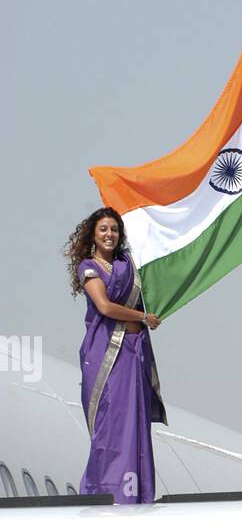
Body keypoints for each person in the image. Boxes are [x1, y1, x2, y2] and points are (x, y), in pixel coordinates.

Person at [65, 207, 167, 504]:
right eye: (103, 230)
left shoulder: (126, 265)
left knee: (134, 421)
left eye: (114, 229)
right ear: (93, 236)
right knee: (111, 425)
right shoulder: (89, 267)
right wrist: (143, 317)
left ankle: (135, 495)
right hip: (105, 355)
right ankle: (107, 493)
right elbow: (106, 307)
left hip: (133, 353)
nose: (109, 234)